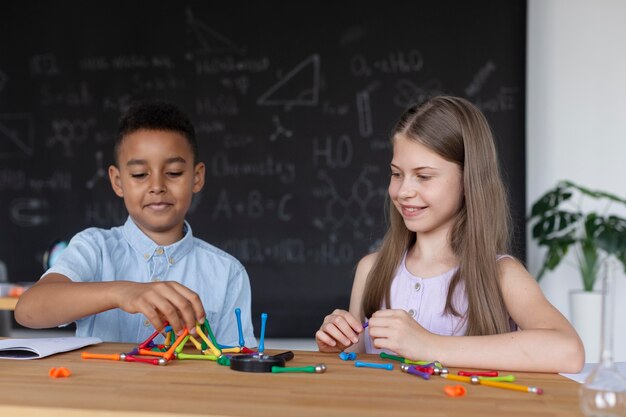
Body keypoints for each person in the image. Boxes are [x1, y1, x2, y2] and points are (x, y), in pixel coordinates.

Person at [315, 96, 584, 373]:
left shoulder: (501, 274)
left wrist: (428, 345)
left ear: (469, 181)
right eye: (397, 174)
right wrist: (340, 343)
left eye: (424, 176)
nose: (403, 191)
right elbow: (356, 360)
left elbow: (568, 351)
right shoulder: (371, 269)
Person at [15, 99, 256, 347]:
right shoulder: (95, 248)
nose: (157, 187)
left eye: (173, 172)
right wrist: (122, 292)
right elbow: (28, 310)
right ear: (118, 181)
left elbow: (237, 361)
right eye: (140, 175)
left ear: (197, 177)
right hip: (103, 387)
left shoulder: (227, 273)